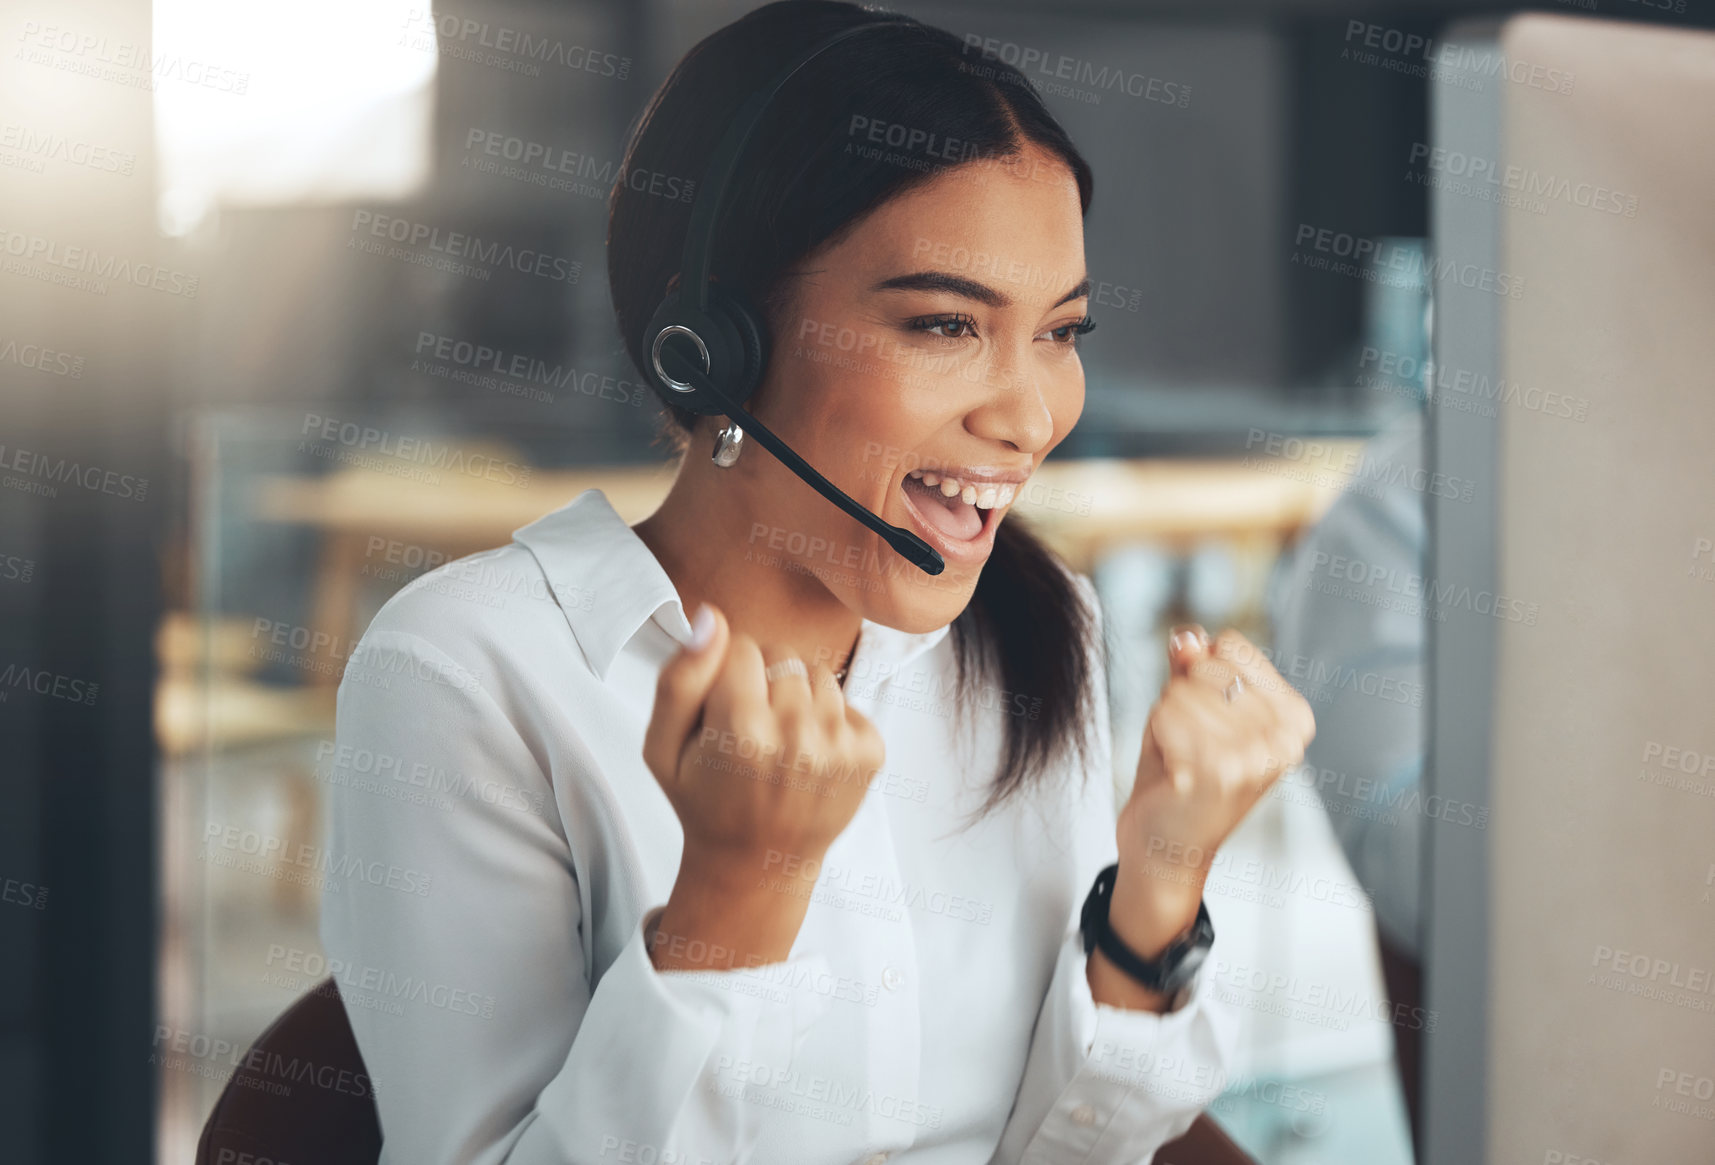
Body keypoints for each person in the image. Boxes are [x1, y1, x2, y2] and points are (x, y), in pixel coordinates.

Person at [319, 4, 1316, 1162]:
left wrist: (1159, 873)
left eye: (1059, 331)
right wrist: (732, 903)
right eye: (945, 324)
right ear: (713, 342)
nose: (1029, 414)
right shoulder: (465, 675)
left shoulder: (1043, 637)